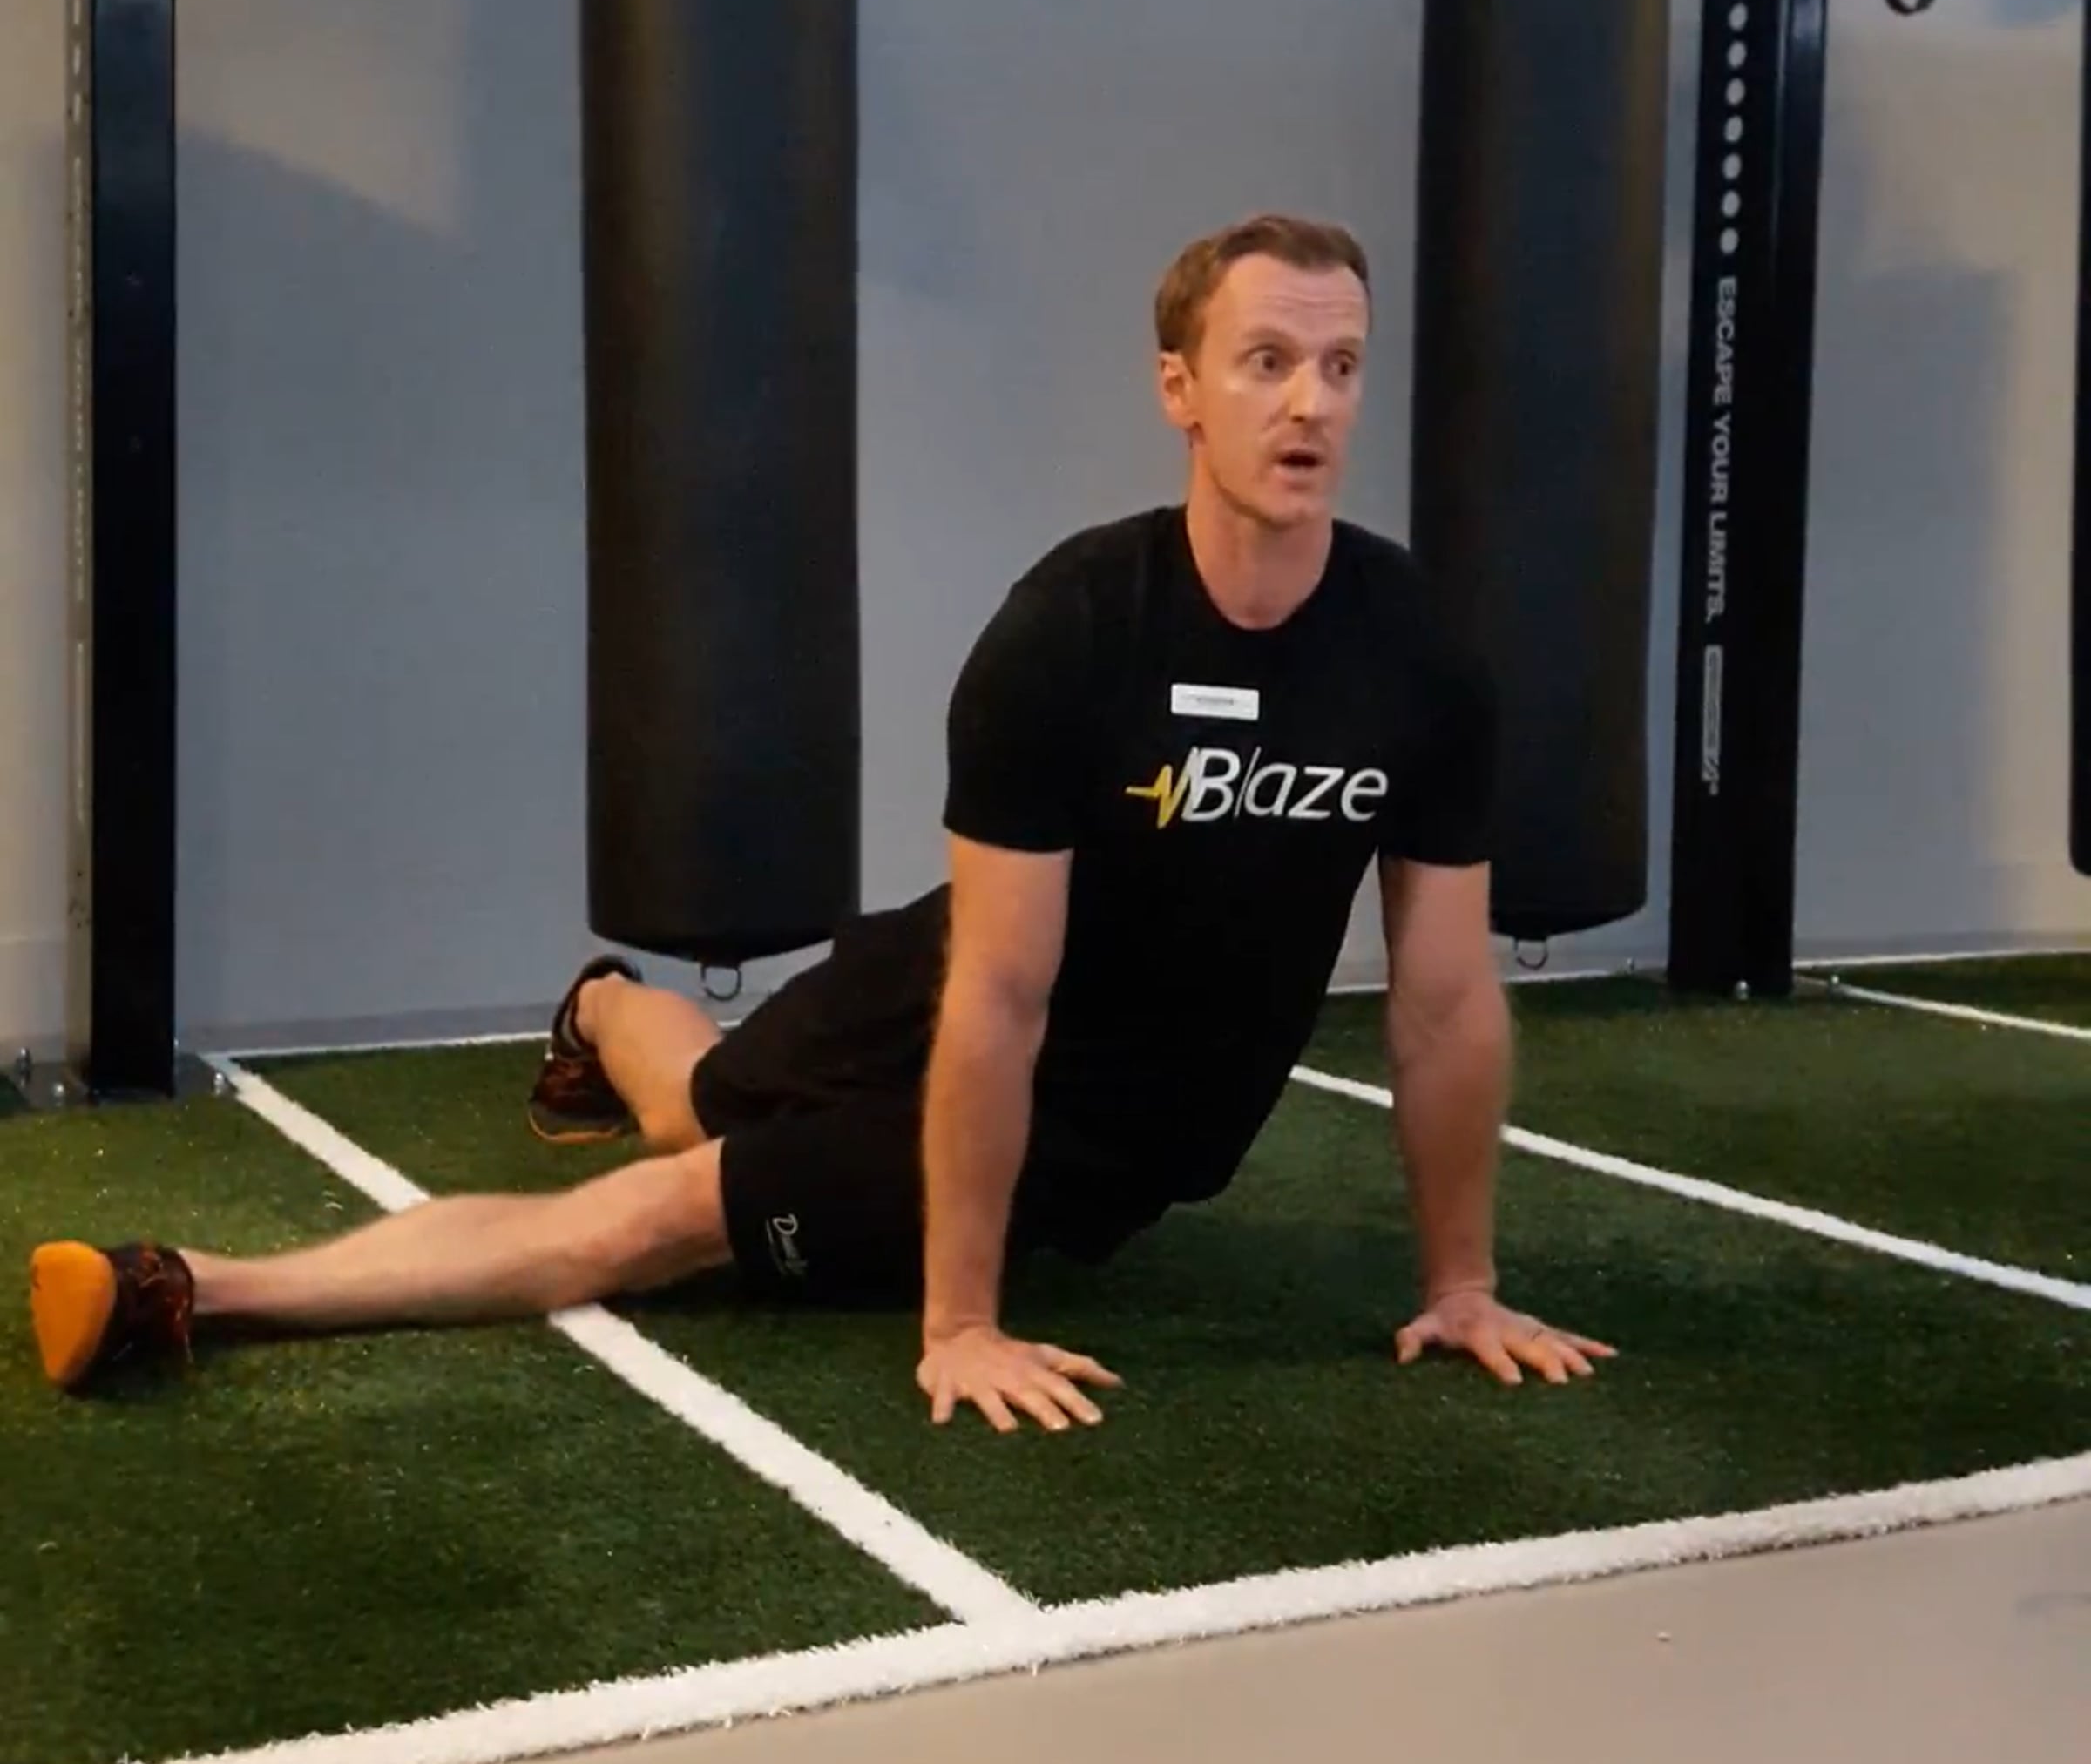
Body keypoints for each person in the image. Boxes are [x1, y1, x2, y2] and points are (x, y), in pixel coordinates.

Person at [30, 213, 1614, 1427]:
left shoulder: (1417, 657)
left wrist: (1463, 1283)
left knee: (657, 1212)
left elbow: (1443, 1001)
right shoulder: (1072, 631)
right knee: (702, 1103)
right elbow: (999, 990)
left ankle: (197, 1290)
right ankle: (603, 1007)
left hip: (1111, 1129)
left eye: (1341, 366)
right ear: (1179, 390)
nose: (1311, 402)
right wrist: (958, 1321)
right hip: (967, 976)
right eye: (1266, 360)